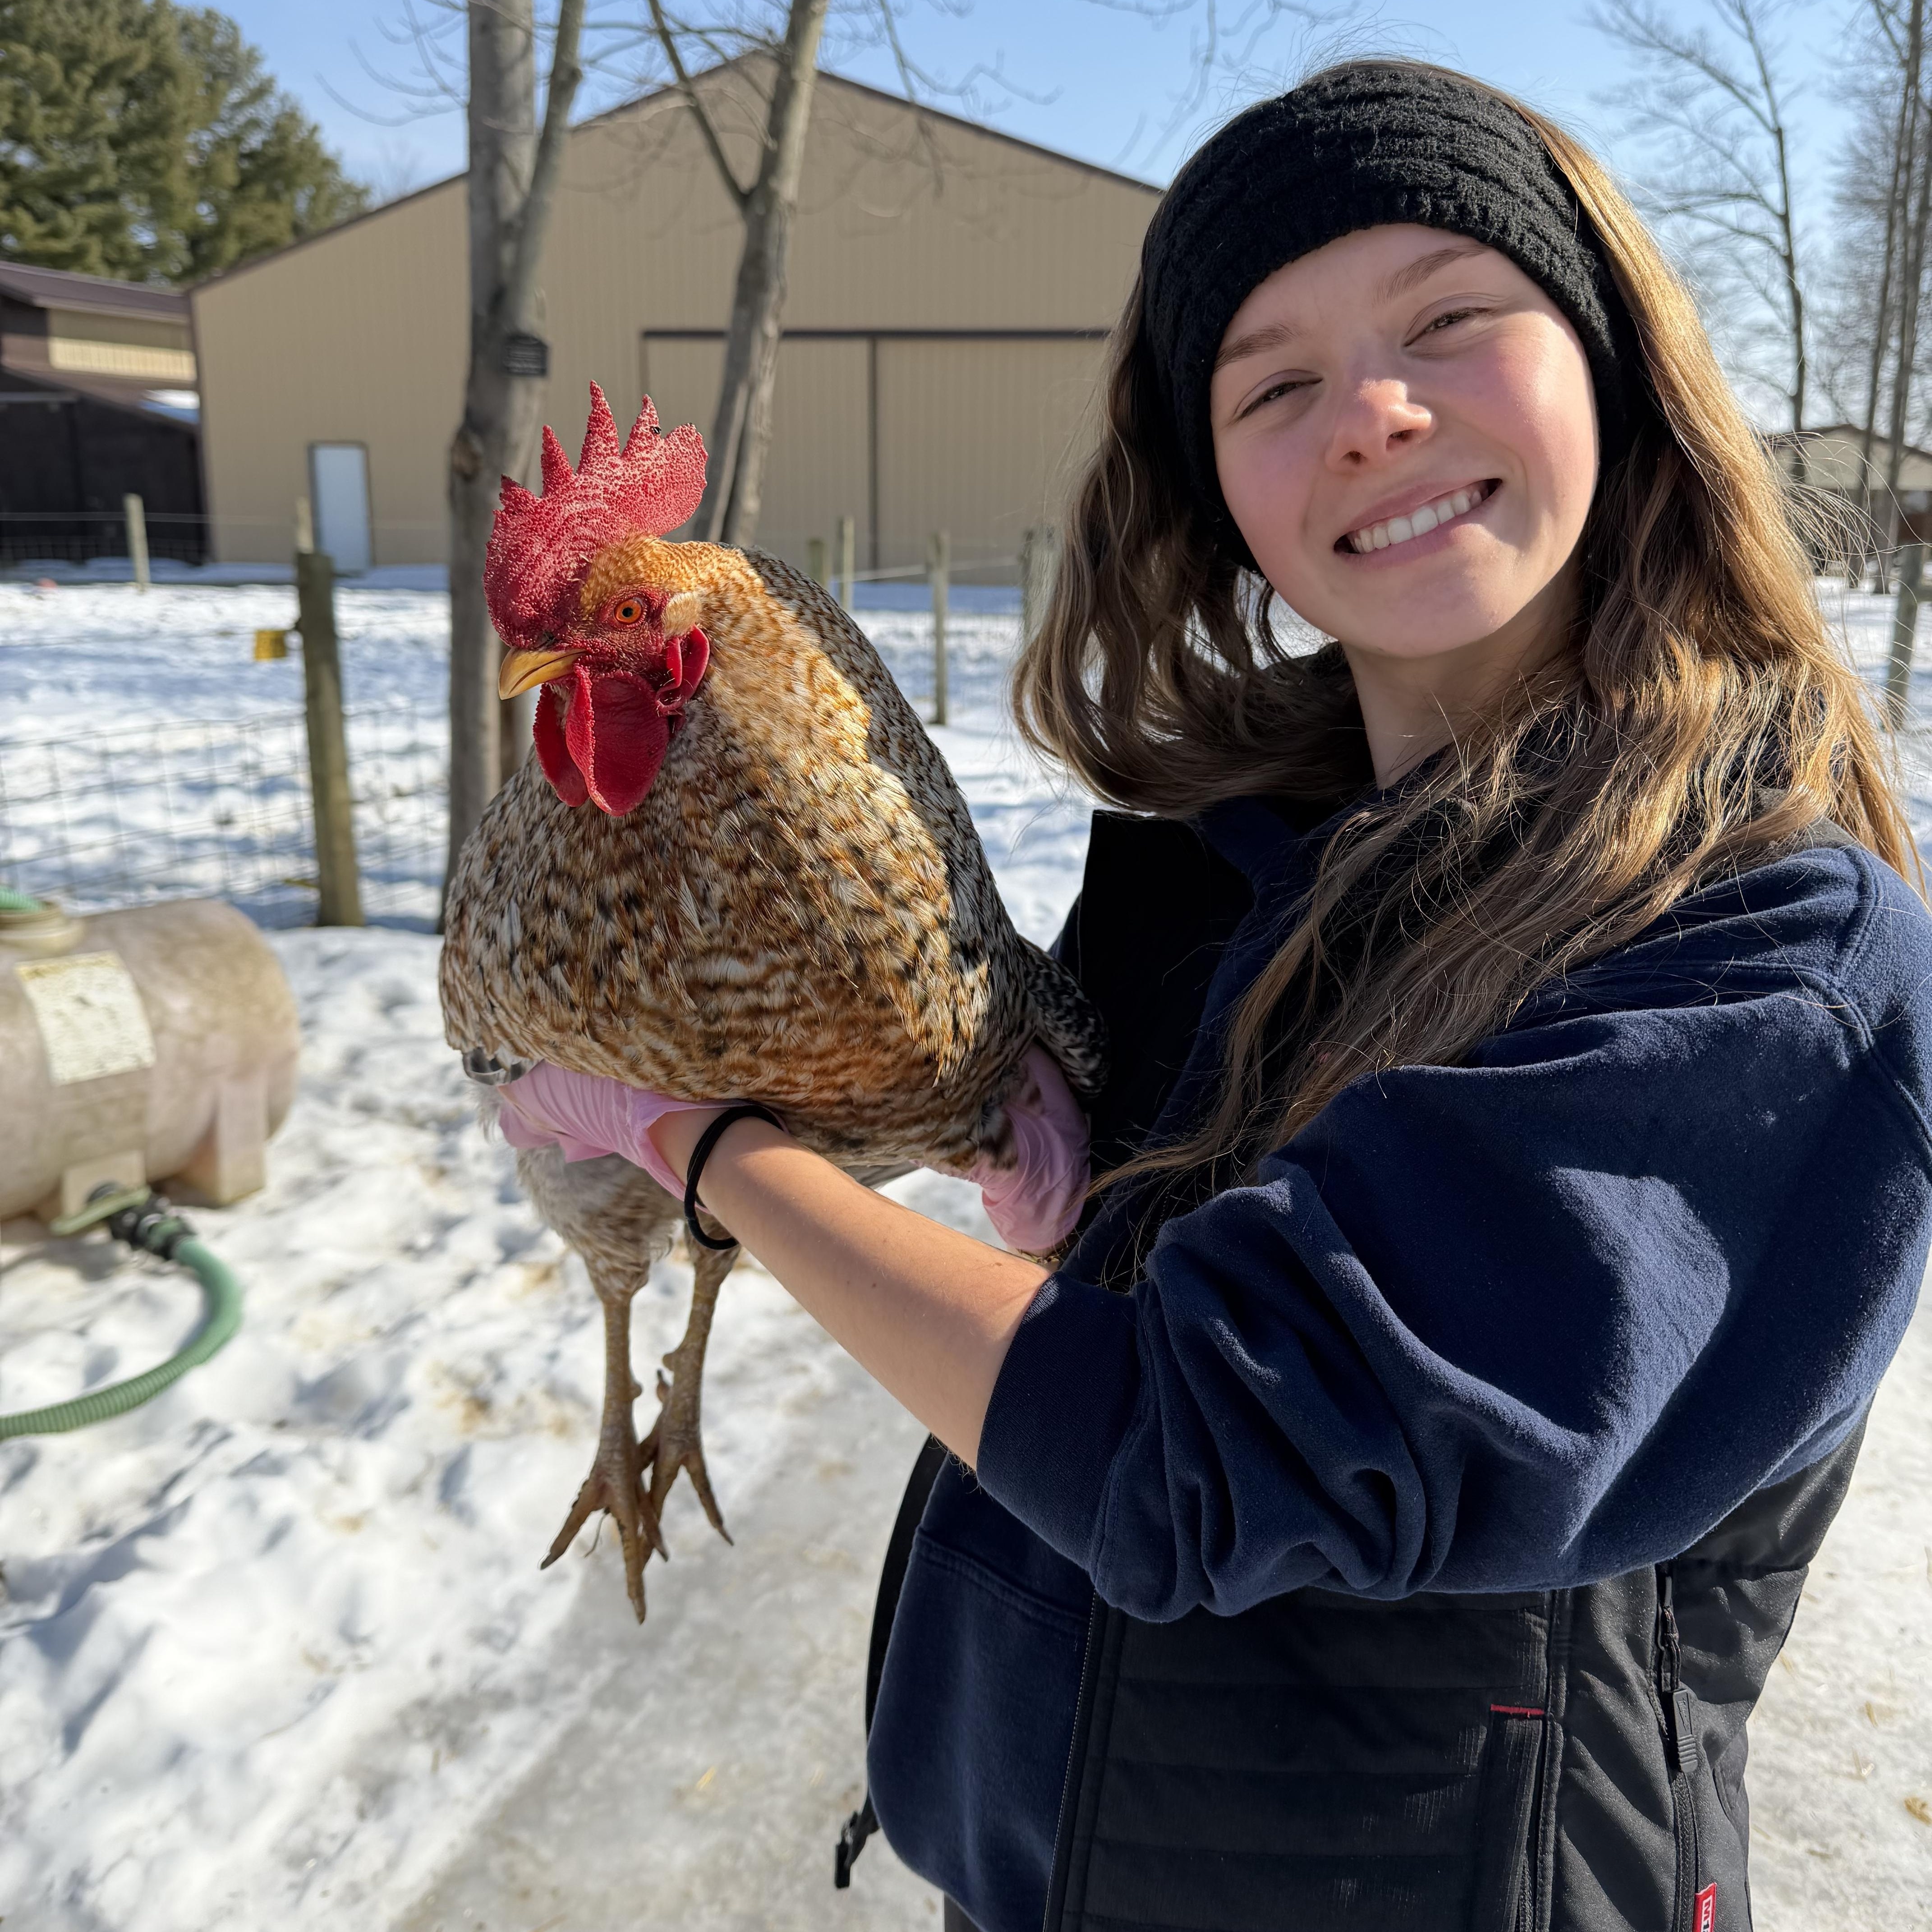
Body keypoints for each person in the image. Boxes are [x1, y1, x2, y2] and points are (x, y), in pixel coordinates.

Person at [495, 60, 1932, 1932]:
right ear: (1217, 481)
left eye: (1449, 320)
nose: (1375, 416)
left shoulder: (1766, 956)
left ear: (1613, 366)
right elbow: (1106, 1317)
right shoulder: (1210, 867)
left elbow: (1186, 1455)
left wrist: (700, 1147)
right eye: (1276, 383)